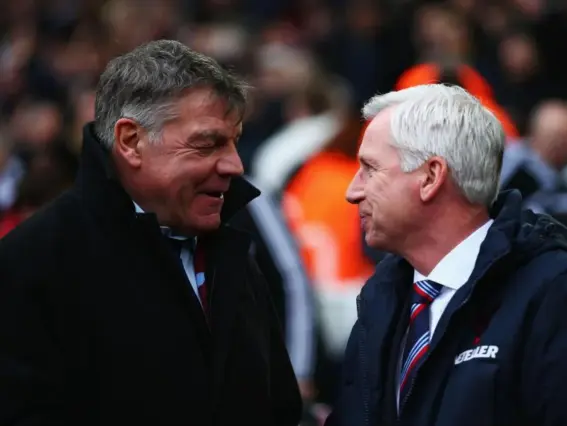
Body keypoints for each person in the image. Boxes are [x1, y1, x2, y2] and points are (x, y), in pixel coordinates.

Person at [0, 40, 301, 426]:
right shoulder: (30, 265)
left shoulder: (231, 252)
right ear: (131, 142)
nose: (235, 165)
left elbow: (278, 405)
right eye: (208, 144)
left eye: (235, 142)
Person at [326, 84, 567, 426]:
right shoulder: (381, 297)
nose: (353, 191)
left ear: (431, 177)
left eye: (370, 168)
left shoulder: (551, 292)